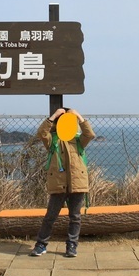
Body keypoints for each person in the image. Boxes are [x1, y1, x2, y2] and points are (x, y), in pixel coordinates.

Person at [29, 107, 95, 258]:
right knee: (50, 216)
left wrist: (78, 115)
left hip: (77, 184)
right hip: (58, 184)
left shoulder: (78, 140)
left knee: (75, 217)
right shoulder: (52, 140)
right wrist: (54, 116)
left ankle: (72, 245)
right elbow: (41, 133)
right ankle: (41, 244)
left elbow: (90, 134)